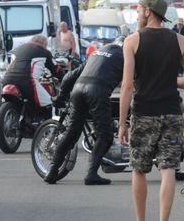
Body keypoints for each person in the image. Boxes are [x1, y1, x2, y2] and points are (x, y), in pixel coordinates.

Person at [117, 0, 184, 221]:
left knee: (139, 169)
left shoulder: (132, 41)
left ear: (149, 12)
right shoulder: (180, 40)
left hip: (144, 112)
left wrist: (123, 123)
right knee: (168, 170)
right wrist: (169, 80)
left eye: (140, 9)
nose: (138, 13)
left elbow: (128, 85)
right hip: (172, 113)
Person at [44, 40, 125, 186]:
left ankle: (52, 171)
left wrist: (61, 97)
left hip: (78, 90)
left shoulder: (96, 53)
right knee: (105, 135)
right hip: (98, 91)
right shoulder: (125, 56)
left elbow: (69, 77)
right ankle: (91, 174)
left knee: (71, 133)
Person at [2, 34, 56, 113]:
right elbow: (55, 69)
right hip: (27, 82)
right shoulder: (44, 52)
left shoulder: (16, 49)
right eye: (46, 45)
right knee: (48, 103)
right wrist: (62, 77)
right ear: (43, 44)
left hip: (6, 80)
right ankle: (47, 125)